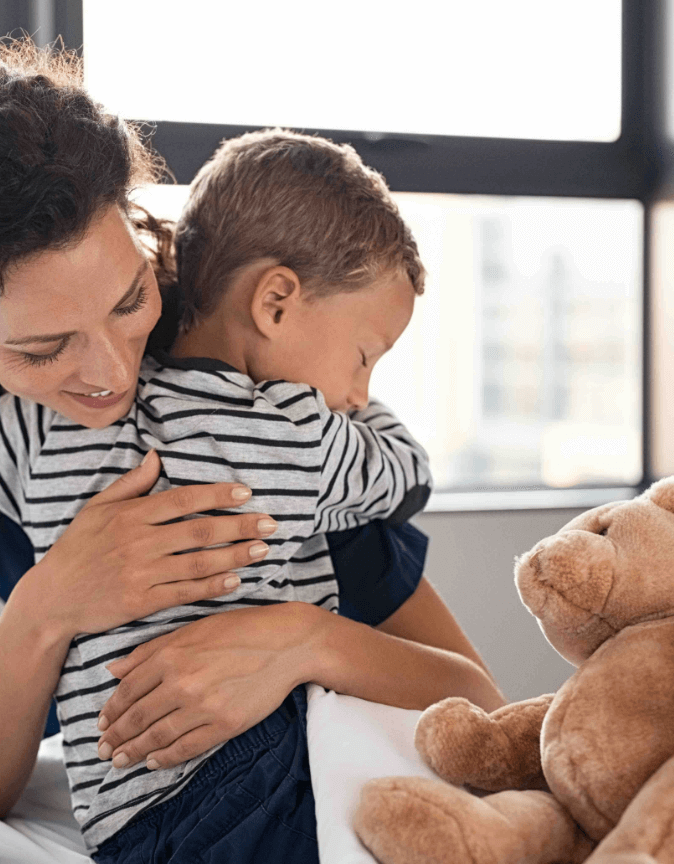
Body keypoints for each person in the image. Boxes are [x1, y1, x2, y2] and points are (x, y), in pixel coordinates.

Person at [0, 39, 505, 862]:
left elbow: (479, 704)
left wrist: (303, 640)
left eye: (131, 298)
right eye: (43, 349)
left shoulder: (274, 426)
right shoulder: (18, 462)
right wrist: (44, 608)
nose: (108, 371)